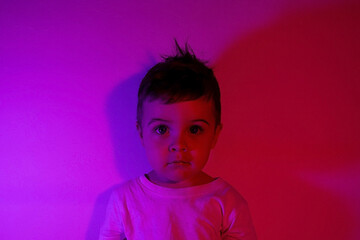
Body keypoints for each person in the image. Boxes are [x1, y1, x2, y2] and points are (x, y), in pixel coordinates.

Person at [99, 42, 257, 240]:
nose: (179, 144)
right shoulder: (124, 200)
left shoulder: (228, 202)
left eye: (194, 129)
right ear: (141, 133)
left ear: (215, 134)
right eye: (162, 129)